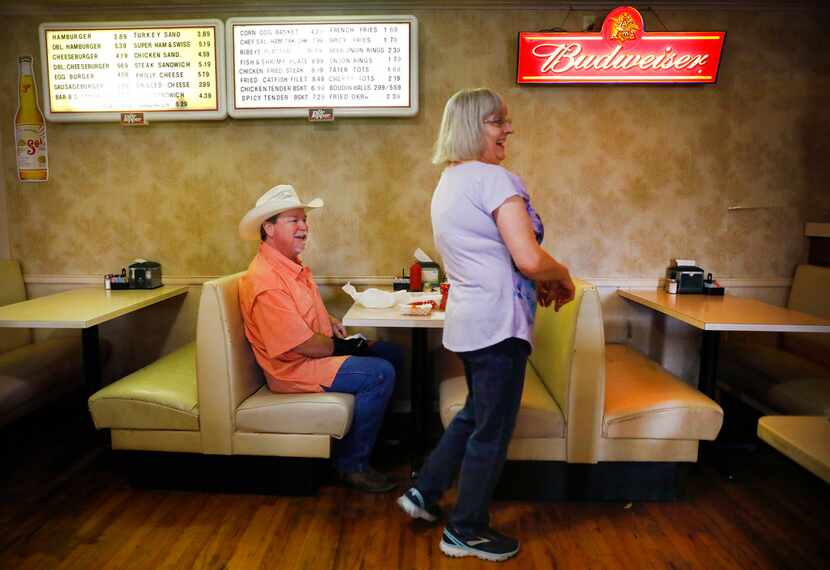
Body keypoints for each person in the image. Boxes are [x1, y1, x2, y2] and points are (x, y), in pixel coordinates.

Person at [397, 88, 575, 562]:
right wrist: (563, 275)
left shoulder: (449, 183)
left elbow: (498, 258)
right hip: (499, 325)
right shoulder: (493, 179)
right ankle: (466, 530)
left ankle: (424, 491)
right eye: (498, 121)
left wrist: (539, 275)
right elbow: (528, 258)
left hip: (471, 323)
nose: (508, 130)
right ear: (474, 127)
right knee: (492, 431)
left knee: (477, 414)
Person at [238, 184, 402, 493]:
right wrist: (343, 346)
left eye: (304, 220)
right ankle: (351, 465)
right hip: (292, 369)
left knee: (392, 353)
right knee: (380, 373)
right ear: (269, 228)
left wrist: (331, 322)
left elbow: (305, 313)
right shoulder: (265, 280)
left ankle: (372, 440)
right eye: (293, 221)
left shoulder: (289, 268)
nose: (304, 227)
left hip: (312, 355)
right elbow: (301, 345)